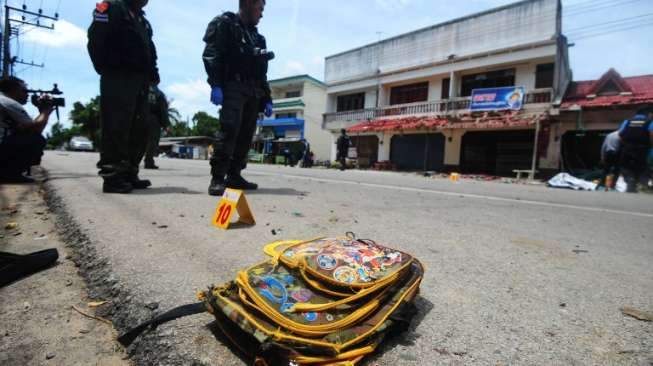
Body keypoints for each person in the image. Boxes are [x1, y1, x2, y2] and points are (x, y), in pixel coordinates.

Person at [87, 0, 160, 194]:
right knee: (116, 125)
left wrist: (153, 72)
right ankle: (113, 177)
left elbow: (149, 51)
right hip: (118, 75)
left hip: (140, 80)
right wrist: (107, 68)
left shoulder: (143, 22)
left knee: (140, 127)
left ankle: (129, 173)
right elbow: (95, 38)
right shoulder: (109, 7)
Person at [202, 0, 273, 196]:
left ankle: (234, 175)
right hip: (233, 86)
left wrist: (267, 98)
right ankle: (217, 178)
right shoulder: (225, 24)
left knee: (245, 135)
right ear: (248, 4)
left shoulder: (258, 38)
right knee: (229, 130)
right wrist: (215, 84)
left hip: (253, 90)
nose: (261, 14)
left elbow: (262, 73)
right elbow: (212, 54)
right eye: (260, 8)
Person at [0, 77, 55, 183]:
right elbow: (36, 130)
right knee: (36, 140)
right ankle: (9, 173)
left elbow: (29, 128)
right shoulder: (9, 103)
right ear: (13, 90)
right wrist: (46, 111)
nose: (27, 95)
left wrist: (42, 113)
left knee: (28, 136)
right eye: (24, 91)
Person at [618, 107, 653, 193]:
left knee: (627, 168)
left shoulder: (628, 121)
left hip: (627, 149)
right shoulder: (649, 122)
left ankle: (631, 184)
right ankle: (642, 187)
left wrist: (626, 144)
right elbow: (651, 134)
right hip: (642, 149)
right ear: (648, 114)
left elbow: (619, 135)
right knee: (642, 169)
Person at [143, 85, 170, 169]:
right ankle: (148, 161)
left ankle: (131, 162)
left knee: (136, 139)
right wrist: (166, 124)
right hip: (153, 119)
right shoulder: (159, 93)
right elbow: (163, 110)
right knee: (152, 141)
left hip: (139, 117)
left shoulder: (141, 88)